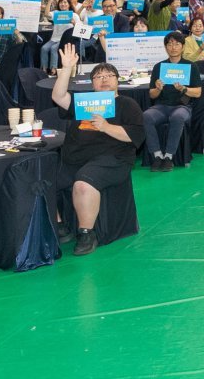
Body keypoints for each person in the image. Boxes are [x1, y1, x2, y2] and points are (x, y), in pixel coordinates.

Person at [50, 44, 140, 255]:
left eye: (109, 75)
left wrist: (106, 127)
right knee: (41, 176)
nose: (104, 79)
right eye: (99, 77)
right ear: (92, 83)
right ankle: (61, 225)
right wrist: (66, 69)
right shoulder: (85, 102)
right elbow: (58, 96)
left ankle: (86, 233)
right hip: (74, 158)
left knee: (83, 183)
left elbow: (134, 135)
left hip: (113, 159)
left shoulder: (127, 105)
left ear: (118, 81)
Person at [144, 32, 202, 171]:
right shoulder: (159, 67)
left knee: (177, 116)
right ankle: (157, 156)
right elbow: (152, 95)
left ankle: (169, 157)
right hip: (161, 106)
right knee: (146, 116)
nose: (173, 47)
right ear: (165, 47)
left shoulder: (191, 66)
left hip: (183, 106)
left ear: (182, 47)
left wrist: (183, 89)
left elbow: (198, 92)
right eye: (169, 44)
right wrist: (158, 88)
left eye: (176, 44)